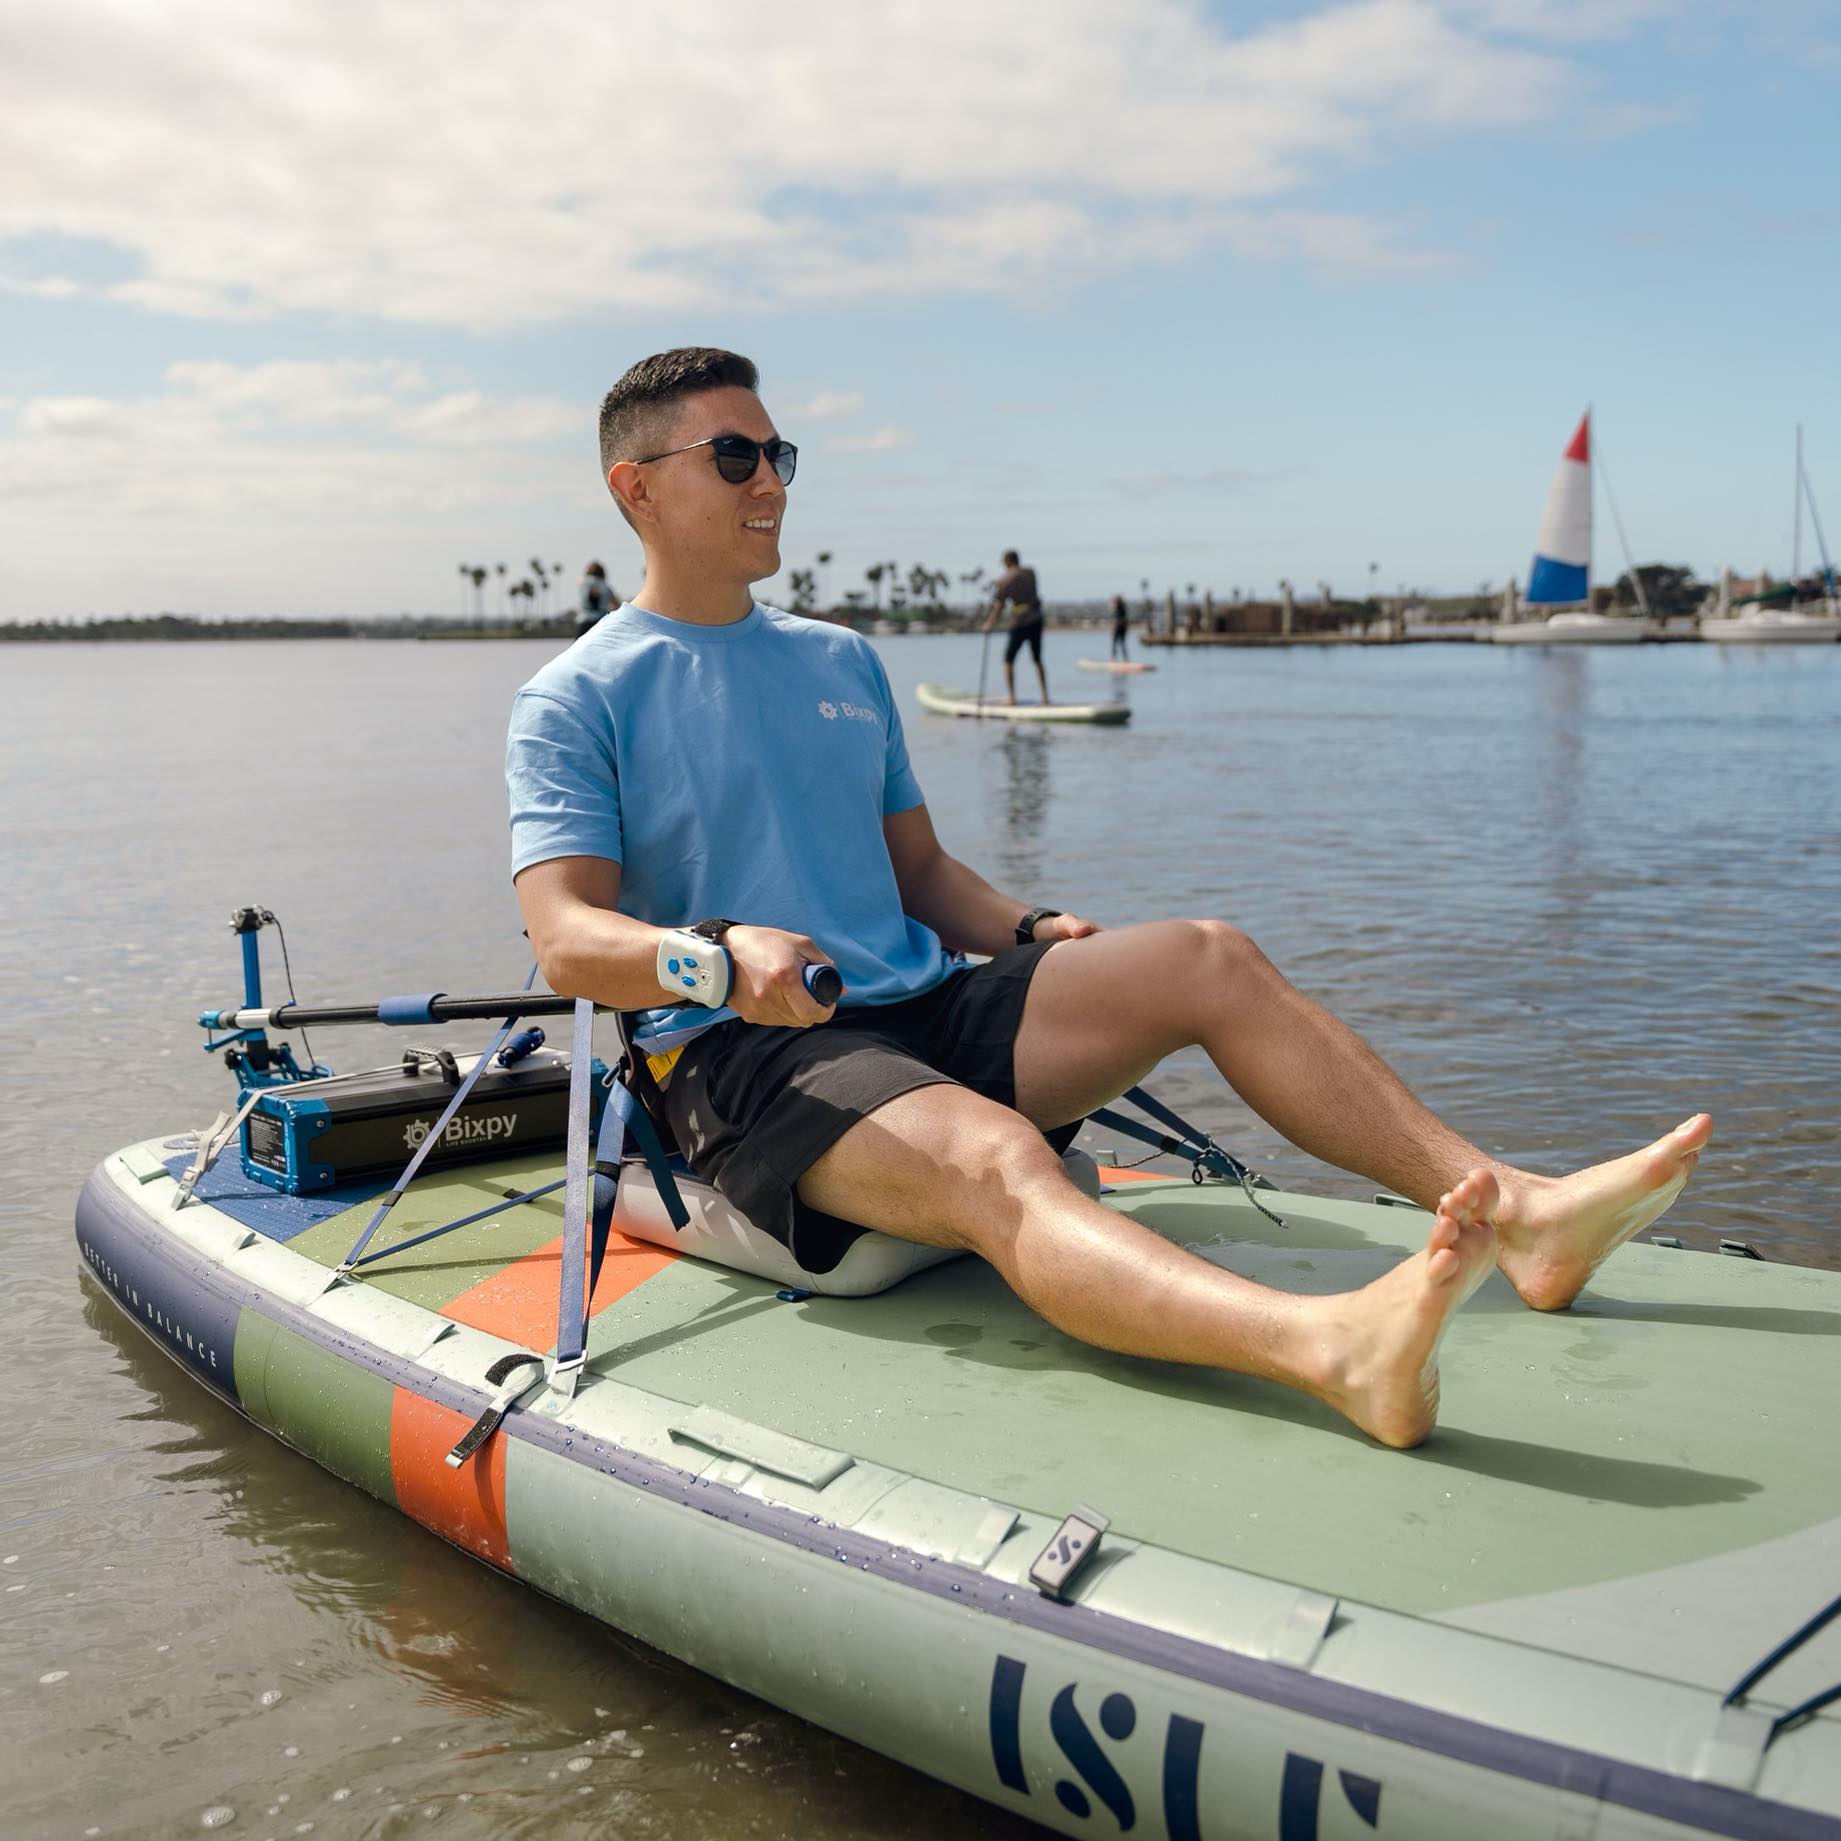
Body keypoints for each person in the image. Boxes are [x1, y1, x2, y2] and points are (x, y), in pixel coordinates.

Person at [506, 346, 1712, 1450]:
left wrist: (1028, 932)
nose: (770, 477)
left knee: (1205, 953)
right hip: (748, 1055)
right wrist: (710, 964)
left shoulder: (839, 659)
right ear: (638, 487)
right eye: (735, 455)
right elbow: (565, 939)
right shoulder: (578, 696)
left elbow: (920, 875)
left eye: (779, 453)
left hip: (922, 1008)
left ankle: (1519, 1214)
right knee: (994, 1154)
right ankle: (1331, 1347)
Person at [983, 548, 1049, 706]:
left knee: (1008, 660)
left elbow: (1000, 605)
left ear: (1007, 562)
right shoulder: (1031, 572)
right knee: (1037, 659)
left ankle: (1012, 698)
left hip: (1020, 622)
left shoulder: (1005, 579)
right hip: (1036, 619)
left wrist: (989, 623)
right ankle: (1045, 696)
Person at [576, 560, 618, 633]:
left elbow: (579, 581)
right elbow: (616, 606)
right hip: (601, 623)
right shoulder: (606, 587)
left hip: (584, 623)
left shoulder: (583, 583)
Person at [1108, 593, 1131, 661]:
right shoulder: (1123, 607)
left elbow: (1112, 607)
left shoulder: (1119, 607)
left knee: (1116, 643)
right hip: (1122, 627)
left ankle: (1114, 658)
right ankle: (1124, 658)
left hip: (1119, 627)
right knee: (1121, 643)